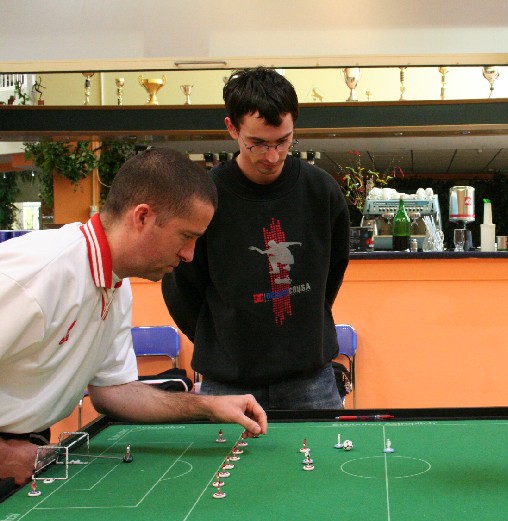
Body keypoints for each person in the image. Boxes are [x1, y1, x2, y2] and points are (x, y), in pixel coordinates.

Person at [0, 147, 267, 486]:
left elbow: (114, 391)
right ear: (142, 217)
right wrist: (4, 456)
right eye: (186, 237)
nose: (189, 255)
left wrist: (210, 406)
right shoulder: (34, 276)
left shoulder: (117, 283)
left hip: (27, 445)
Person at [161, 67, 350, 410]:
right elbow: (181, 285)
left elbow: (333, 272)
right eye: (258, 143)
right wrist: (220, 341)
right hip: (227, 383)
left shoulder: (321, 191)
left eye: (283, 141)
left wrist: (306, 318)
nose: (273, 156)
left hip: (311, 381)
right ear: (232, 128)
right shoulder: (203, 199)